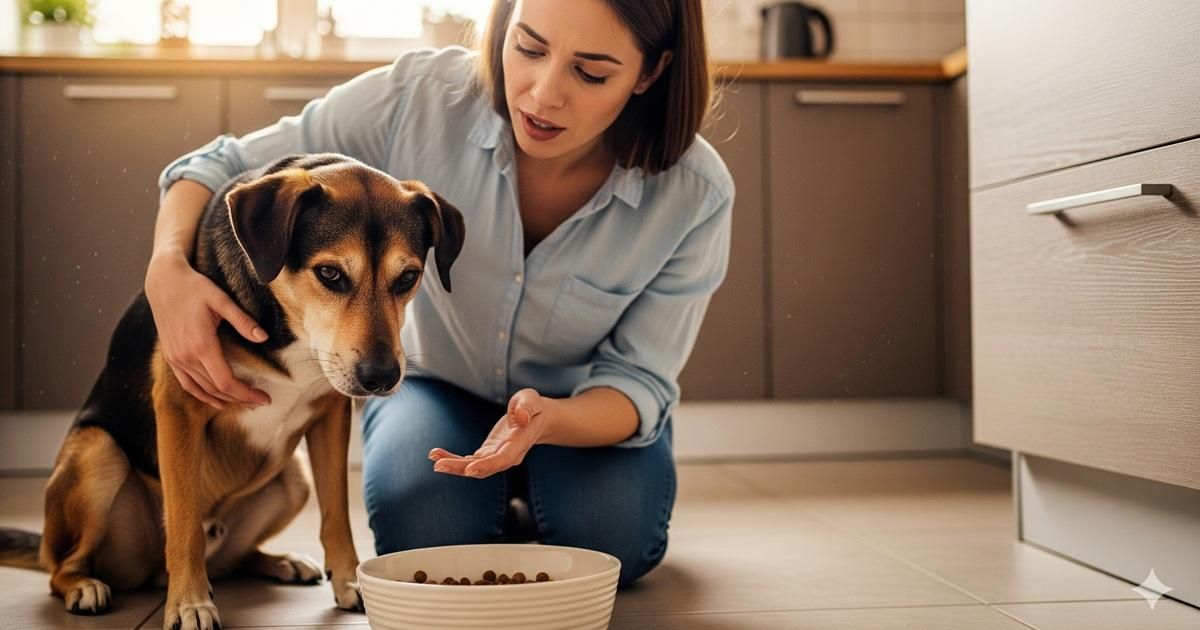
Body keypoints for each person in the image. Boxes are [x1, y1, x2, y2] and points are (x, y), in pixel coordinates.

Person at [145, 0, 732, 587]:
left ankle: (536, 494)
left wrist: (548, 422)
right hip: (438, 389)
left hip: (580, 408)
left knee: (613, 544)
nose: (543, 94)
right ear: (504, 27)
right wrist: (167, 268)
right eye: (528, 48)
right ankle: (499, 506)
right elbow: (221, 163)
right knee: (425, 544)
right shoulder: (421, 97)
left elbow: (640, 380)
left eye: (591, 73)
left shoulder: (693, 195)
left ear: (651, 73)